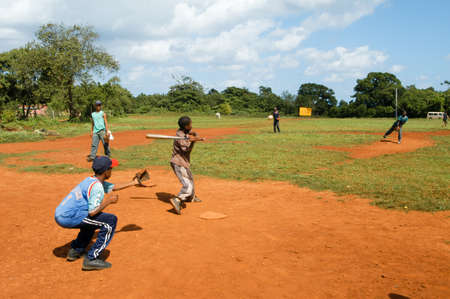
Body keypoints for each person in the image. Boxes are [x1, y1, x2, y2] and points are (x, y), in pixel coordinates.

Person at [55, 156, 139, 270]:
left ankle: (75, 250)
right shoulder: (97, 187)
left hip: (63, 213)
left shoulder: (92, 180)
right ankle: (91, 259)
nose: (112, 170)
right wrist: (108, 201)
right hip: (69, 217)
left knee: (93, 222)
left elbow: (113, 187)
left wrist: (133, 182)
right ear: (105, 171)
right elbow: (93, 212)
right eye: (111, 168)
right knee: (110, 220)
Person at [169, 116, 205, 215]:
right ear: (186, 126)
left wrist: (193, 136)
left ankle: (190, 197)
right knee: (187, 184)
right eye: (190, 124)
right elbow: (185, 149)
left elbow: (192, 135)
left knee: (190, 179)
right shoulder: (179, 136)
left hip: (184, 162)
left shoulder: (185, 133)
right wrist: (192, 141)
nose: (191, 125)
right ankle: (178, 199)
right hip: (178, 162)